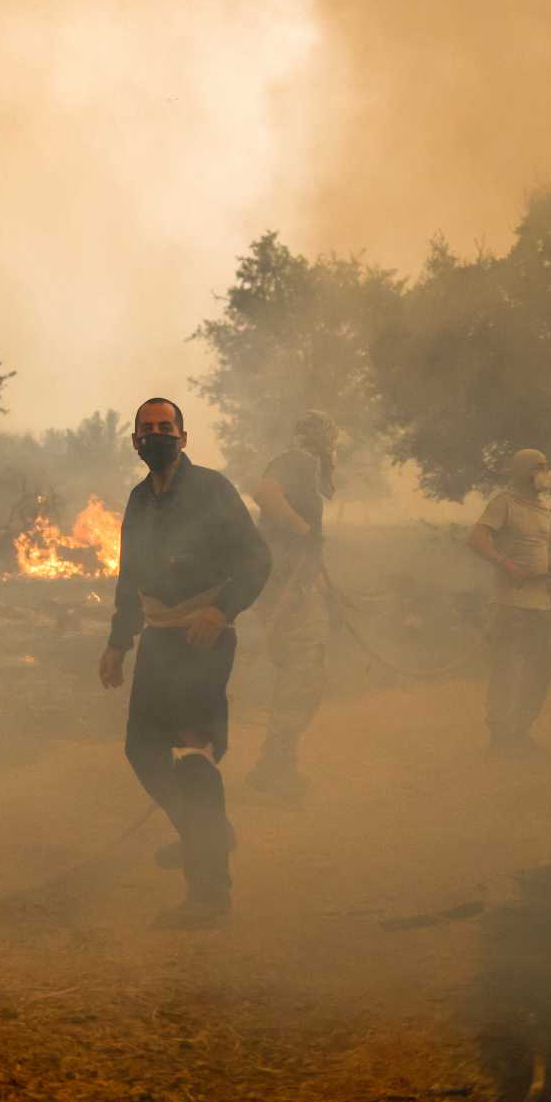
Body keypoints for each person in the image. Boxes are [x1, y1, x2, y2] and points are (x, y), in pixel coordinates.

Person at [99, 397, 272, 928]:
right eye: (146, 430)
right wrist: (118, 642)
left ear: (183, 435)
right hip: (157, 637)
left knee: (195, 758)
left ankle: (208, 894)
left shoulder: (212, 489)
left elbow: (257, 559)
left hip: (203, 638)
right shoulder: (138, 499)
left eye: (164, 427)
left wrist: (222, 610)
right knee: (142, 749)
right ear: (134, 442)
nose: (156, 436)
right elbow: (130, 576)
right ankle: (207, 833)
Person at [244, 409, 338, 801]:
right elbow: (263, 492)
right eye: (331, 439)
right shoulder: (296, 460)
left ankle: (277, 765)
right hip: (286, 589)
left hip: (292, 585)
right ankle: (273, 772)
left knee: (300, 673)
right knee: (303, 674)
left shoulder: (301, 465)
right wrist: (303, 530)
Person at [467, 448, 551, 752]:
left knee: (543, 665)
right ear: (522, 472)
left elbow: (543, 553)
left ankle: (520, 730)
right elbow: (477, 540)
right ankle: (500, 735)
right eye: (539, 466)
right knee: (507, 668)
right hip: (509, 603)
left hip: (540, 603)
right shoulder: (504, 503)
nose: (546, 472)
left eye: (547, 466)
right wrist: (506, 565)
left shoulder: (547, 509)